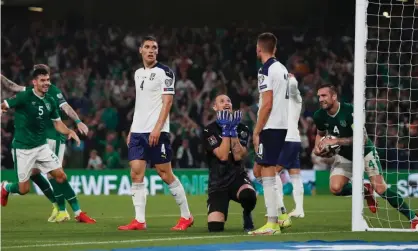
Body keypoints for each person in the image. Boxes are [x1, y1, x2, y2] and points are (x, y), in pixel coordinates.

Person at [313, 83, 418, 229]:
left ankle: (413, 218)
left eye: (324, 95)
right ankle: (365, 189)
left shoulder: (349, 111)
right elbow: (320, 134)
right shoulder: (319, 115)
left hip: (364, 151)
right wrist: (317, 148)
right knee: (335, 188)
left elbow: (361, 139)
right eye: (319, 96)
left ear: (334, 96)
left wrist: (337, 141)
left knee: (380, 188)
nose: (320, 99)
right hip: (344, 155)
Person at [1, 66, 96, 224]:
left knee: (60, 175)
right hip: (23, 149)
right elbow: (5, 103)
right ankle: (5, 187)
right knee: (23, 189)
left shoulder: (50, 100)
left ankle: (78, 213)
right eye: (42, 80)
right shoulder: (25, 96)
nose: (46, 83)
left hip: (41, 147)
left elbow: (58, 124)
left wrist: (70, 131)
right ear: (34, 82)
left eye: (48, 80)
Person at [118, 36, 193, 231]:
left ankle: (186, 216)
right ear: (140, 50)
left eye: (154, 48)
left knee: (165, 173)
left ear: (157, 52)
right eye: (147, 47)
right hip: (138, 131)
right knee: (135, 172)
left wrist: (157, 128)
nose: (151, 50)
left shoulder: (165, 72)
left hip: (157, 131)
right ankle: (139, 220)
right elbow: (140, 104)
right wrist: (132, 129)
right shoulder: (137, 73)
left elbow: (168, 102)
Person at [249, 32, 290, 235]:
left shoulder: (265, 70)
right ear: (274, 48)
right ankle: (281, 213)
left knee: (266, 170)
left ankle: (272, 223)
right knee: (260, 170)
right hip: (281, 124)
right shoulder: (281, 68)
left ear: (259, 49)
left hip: (270, 126)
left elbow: (267, 103)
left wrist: (257, 131)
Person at [253, 74, 303, 227]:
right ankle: (287, 209)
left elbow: (293, 89)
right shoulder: (274, 100)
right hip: (278, 138)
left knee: (271, 172)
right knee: (260, 172)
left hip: (286, 139)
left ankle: (280, 212)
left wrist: (291, 79)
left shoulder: (293, 98)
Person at [203, 94, 256, 232]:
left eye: (229, 101)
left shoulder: (242, 128)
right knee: (215, 228)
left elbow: (238, 156)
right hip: (218, 183)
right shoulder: (209, 130)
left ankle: (247, 213)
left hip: (237, 178)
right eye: (222, 101)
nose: (226, 103)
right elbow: (222, 156)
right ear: (215, 107)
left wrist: (233, 130)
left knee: (249, 196)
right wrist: (227, 130)